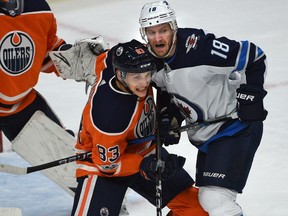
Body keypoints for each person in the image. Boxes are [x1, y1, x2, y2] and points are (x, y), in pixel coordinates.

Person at [138, 1, 268, 216]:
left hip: (235, 127)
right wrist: (168, 118)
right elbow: (168, 92)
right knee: (206, 199)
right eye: (151, 32)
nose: (158, 38)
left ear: (174, 28)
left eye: (163, 30)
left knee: (215, 199)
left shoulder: (200, 49)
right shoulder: (152, 62)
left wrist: (251, 95)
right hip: (207, 135)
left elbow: (254, 55)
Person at [68, 39, 208, 216]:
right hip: (102, 166)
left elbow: (106, 56)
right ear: (120, 75)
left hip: (145, 151)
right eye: (136, 77)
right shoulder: (109, 114)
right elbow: (108, 164)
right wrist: (145, 165)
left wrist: (167, 117)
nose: (144, 82)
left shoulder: (115, 60)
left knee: (199, 211)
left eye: (147, 75)